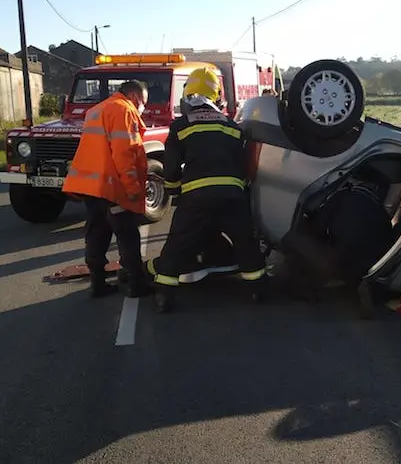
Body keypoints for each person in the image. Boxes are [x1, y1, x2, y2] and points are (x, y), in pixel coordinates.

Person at [145, 67, 269, 313]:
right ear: (217, 96)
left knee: (177, 244)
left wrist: (174, 190)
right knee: (245, 242)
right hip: (232, 196)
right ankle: (257, 290)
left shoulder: (181, 126)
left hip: (195, 198)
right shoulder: (232, 126)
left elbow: (170, 167)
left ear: (188, 95)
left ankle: (164, 296)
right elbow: (246, 163)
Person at [63, 80, 151, 299]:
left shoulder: (96, 110)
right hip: (112, 187)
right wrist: (132, 188)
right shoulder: (124, 110)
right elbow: (124, 153)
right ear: (133, 96)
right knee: (127, 234)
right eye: (143, 102)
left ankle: (98, 283)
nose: (143, 107)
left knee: (97, 233)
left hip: (91, 187)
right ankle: (136, 285)